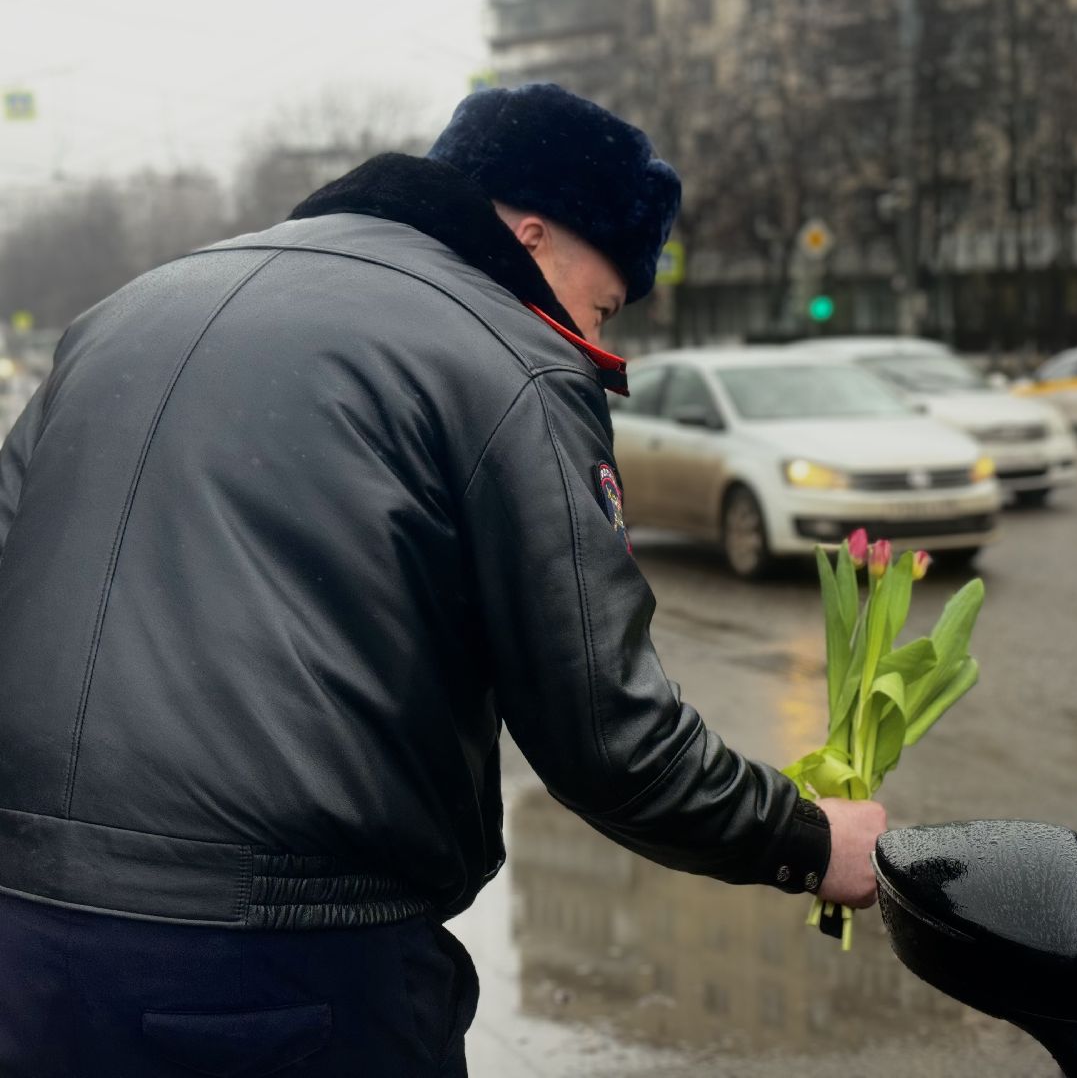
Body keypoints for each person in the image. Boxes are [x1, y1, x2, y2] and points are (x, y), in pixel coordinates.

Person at [0, 83, 886, 1076]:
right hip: (286, 972)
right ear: (537, 234)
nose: (600, 330)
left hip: (22, 946)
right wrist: (810, 841)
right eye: (604, 301)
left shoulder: (120, 314)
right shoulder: (507, 354)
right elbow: (610, 738)